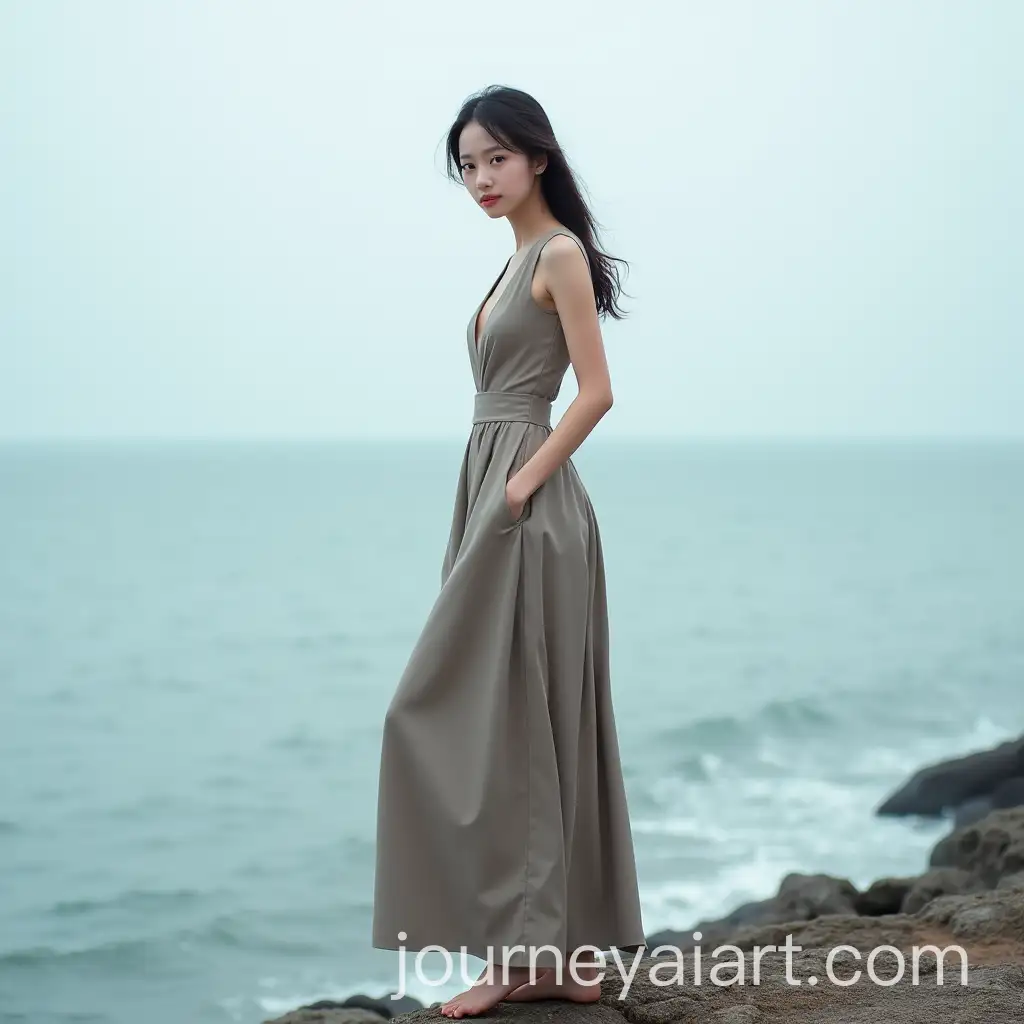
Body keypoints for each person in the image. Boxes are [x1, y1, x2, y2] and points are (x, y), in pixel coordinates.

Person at [371, 84, 645, 1018]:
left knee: (487, 718)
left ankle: (518, 956)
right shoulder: (514, 260)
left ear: (538, 156)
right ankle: (553, 949)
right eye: (468, 165)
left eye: (495, 158)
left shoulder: (558, 252)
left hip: (527, 503)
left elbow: (598, 391)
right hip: (492, 493)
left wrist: (522, 486)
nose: (481, 178)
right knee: (520, 719)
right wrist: (498, 490)